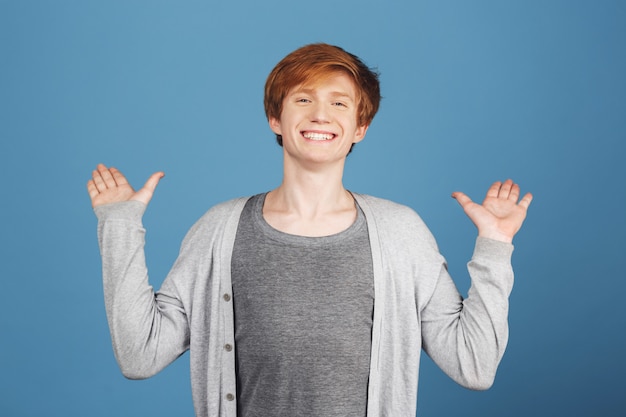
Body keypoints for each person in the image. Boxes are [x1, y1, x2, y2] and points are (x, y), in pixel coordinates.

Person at [87, 43, 532, 417]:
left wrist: (495, 246)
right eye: (303, 99)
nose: (321, 114)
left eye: (339, 103)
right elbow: (140, 354)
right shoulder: (219, 229)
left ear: (360, 127)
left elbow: (474, 366)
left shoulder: (401, 232)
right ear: (275, 119)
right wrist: (119, 225)